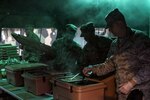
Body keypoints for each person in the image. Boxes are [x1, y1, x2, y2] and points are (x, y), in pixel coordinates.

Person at [82, 8, 150, 100]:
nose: (109, 30)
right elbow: (109, 65)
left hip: (140, 93)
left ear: (120, 23)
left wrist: (131, 83)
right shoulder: (114, 44)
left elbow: (148, 66)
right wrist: (92, 68)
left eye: (110, 26)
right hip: (122, 93)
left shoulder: (140, 38)